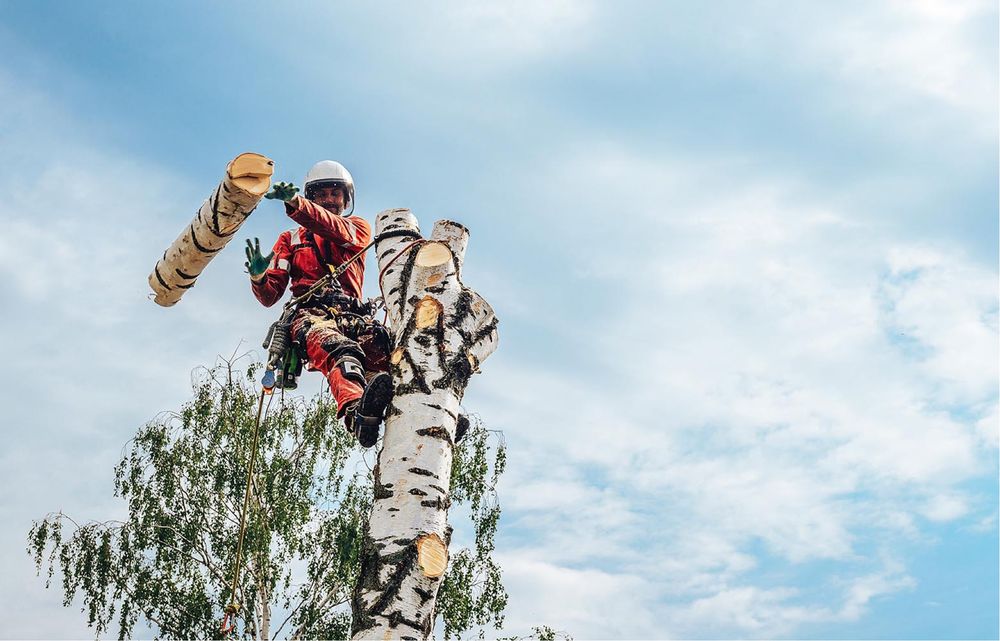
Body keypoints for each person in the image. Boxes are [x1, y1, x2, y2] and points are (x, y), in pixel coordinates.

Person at [245, 160, 391, 447]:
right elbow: (270, 295)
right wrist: (260, 277)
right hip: (311, 316)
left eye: (335, 194)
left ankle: (430, 412)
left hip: (354, 315)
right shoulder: (290, 239)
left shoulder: (356, 228)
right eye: (321, 194)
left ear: (346, 199)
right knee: (341, 351)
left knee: (395, 356)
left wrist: (297, 204)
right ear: (313, 197)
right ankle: (357, 414)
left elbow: (332, 229)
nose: (329, 200)